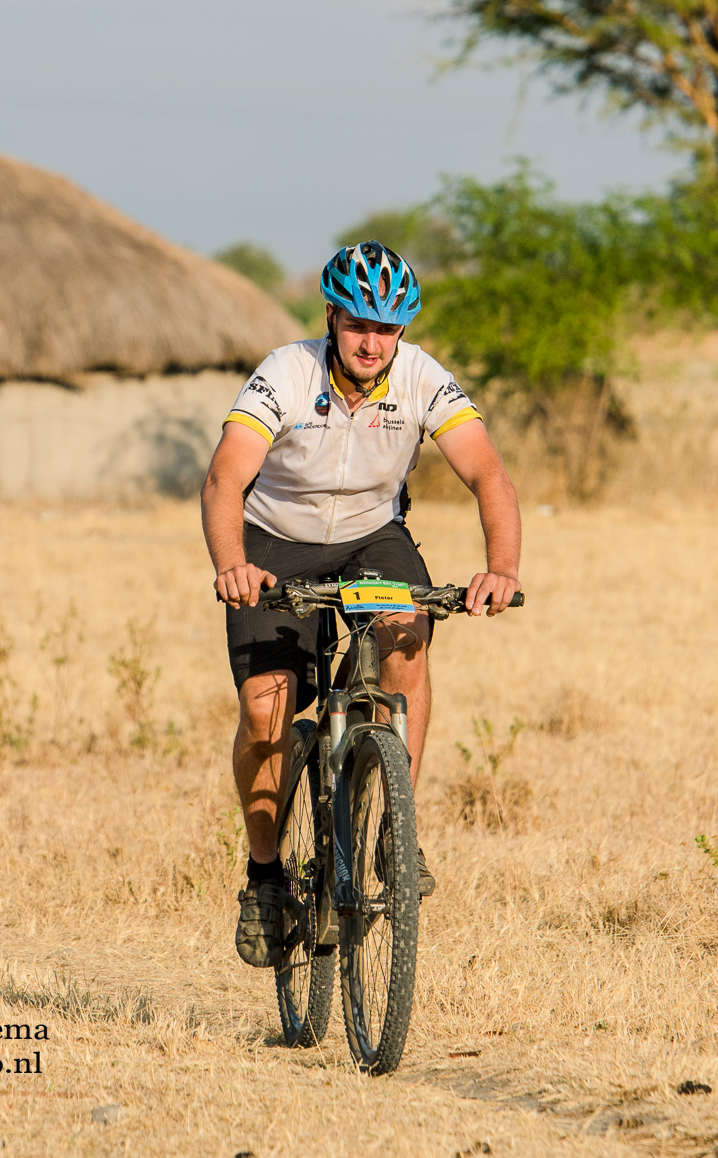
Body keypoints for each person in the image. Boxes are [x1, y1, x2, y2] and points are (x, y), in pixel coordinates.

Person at [203, 240, 520, 968]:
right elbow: (225, 480)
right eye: (358, 326)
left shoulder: (421, 379)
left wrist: (499, 568)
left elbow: (489, 475)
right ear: (331, 319)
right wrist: (232, 566)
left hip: (371, 539)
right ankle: (264, 879)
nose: (372, 342)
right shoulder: (285, 373)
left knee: (407, 630)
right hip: (273, 543)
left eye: (388, 328)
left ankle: (392, 832)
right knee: (265, 708)